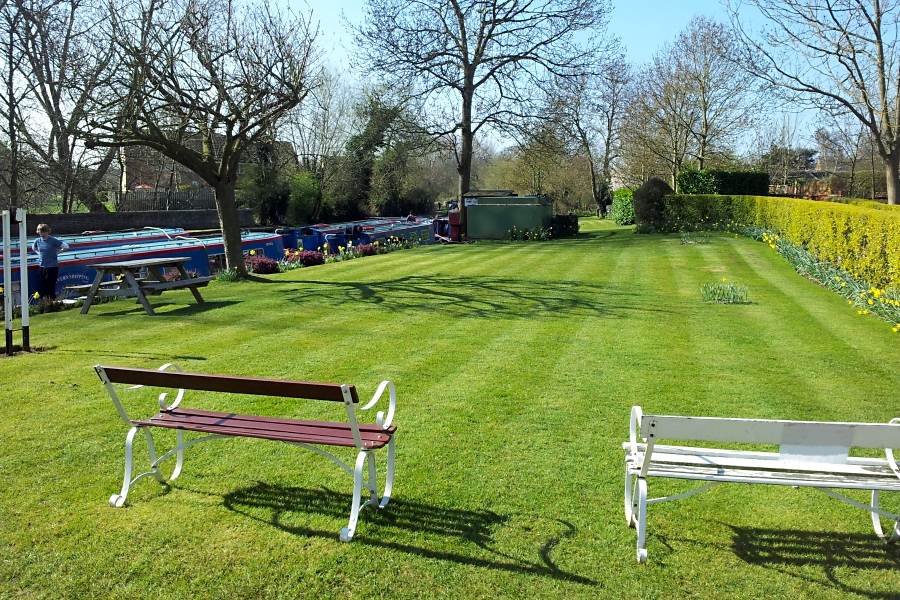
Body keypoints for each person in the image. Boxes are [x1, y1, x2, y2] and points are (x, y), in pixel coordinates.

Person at [31, 224, 69, 300]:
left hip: (52, 266)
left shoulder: (53, 240)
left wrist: (57, 253)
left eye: (44, 232)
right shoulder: (37, 241)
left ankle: (52, 300)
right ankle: (47, 300)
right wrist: (38, 253)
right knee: (44, 284)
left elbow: (66, 246)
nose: (42, 234)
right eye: (40, 232)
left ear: (47, 232)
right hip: (42, 265)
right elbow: (33, 247)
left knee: (51, 285)